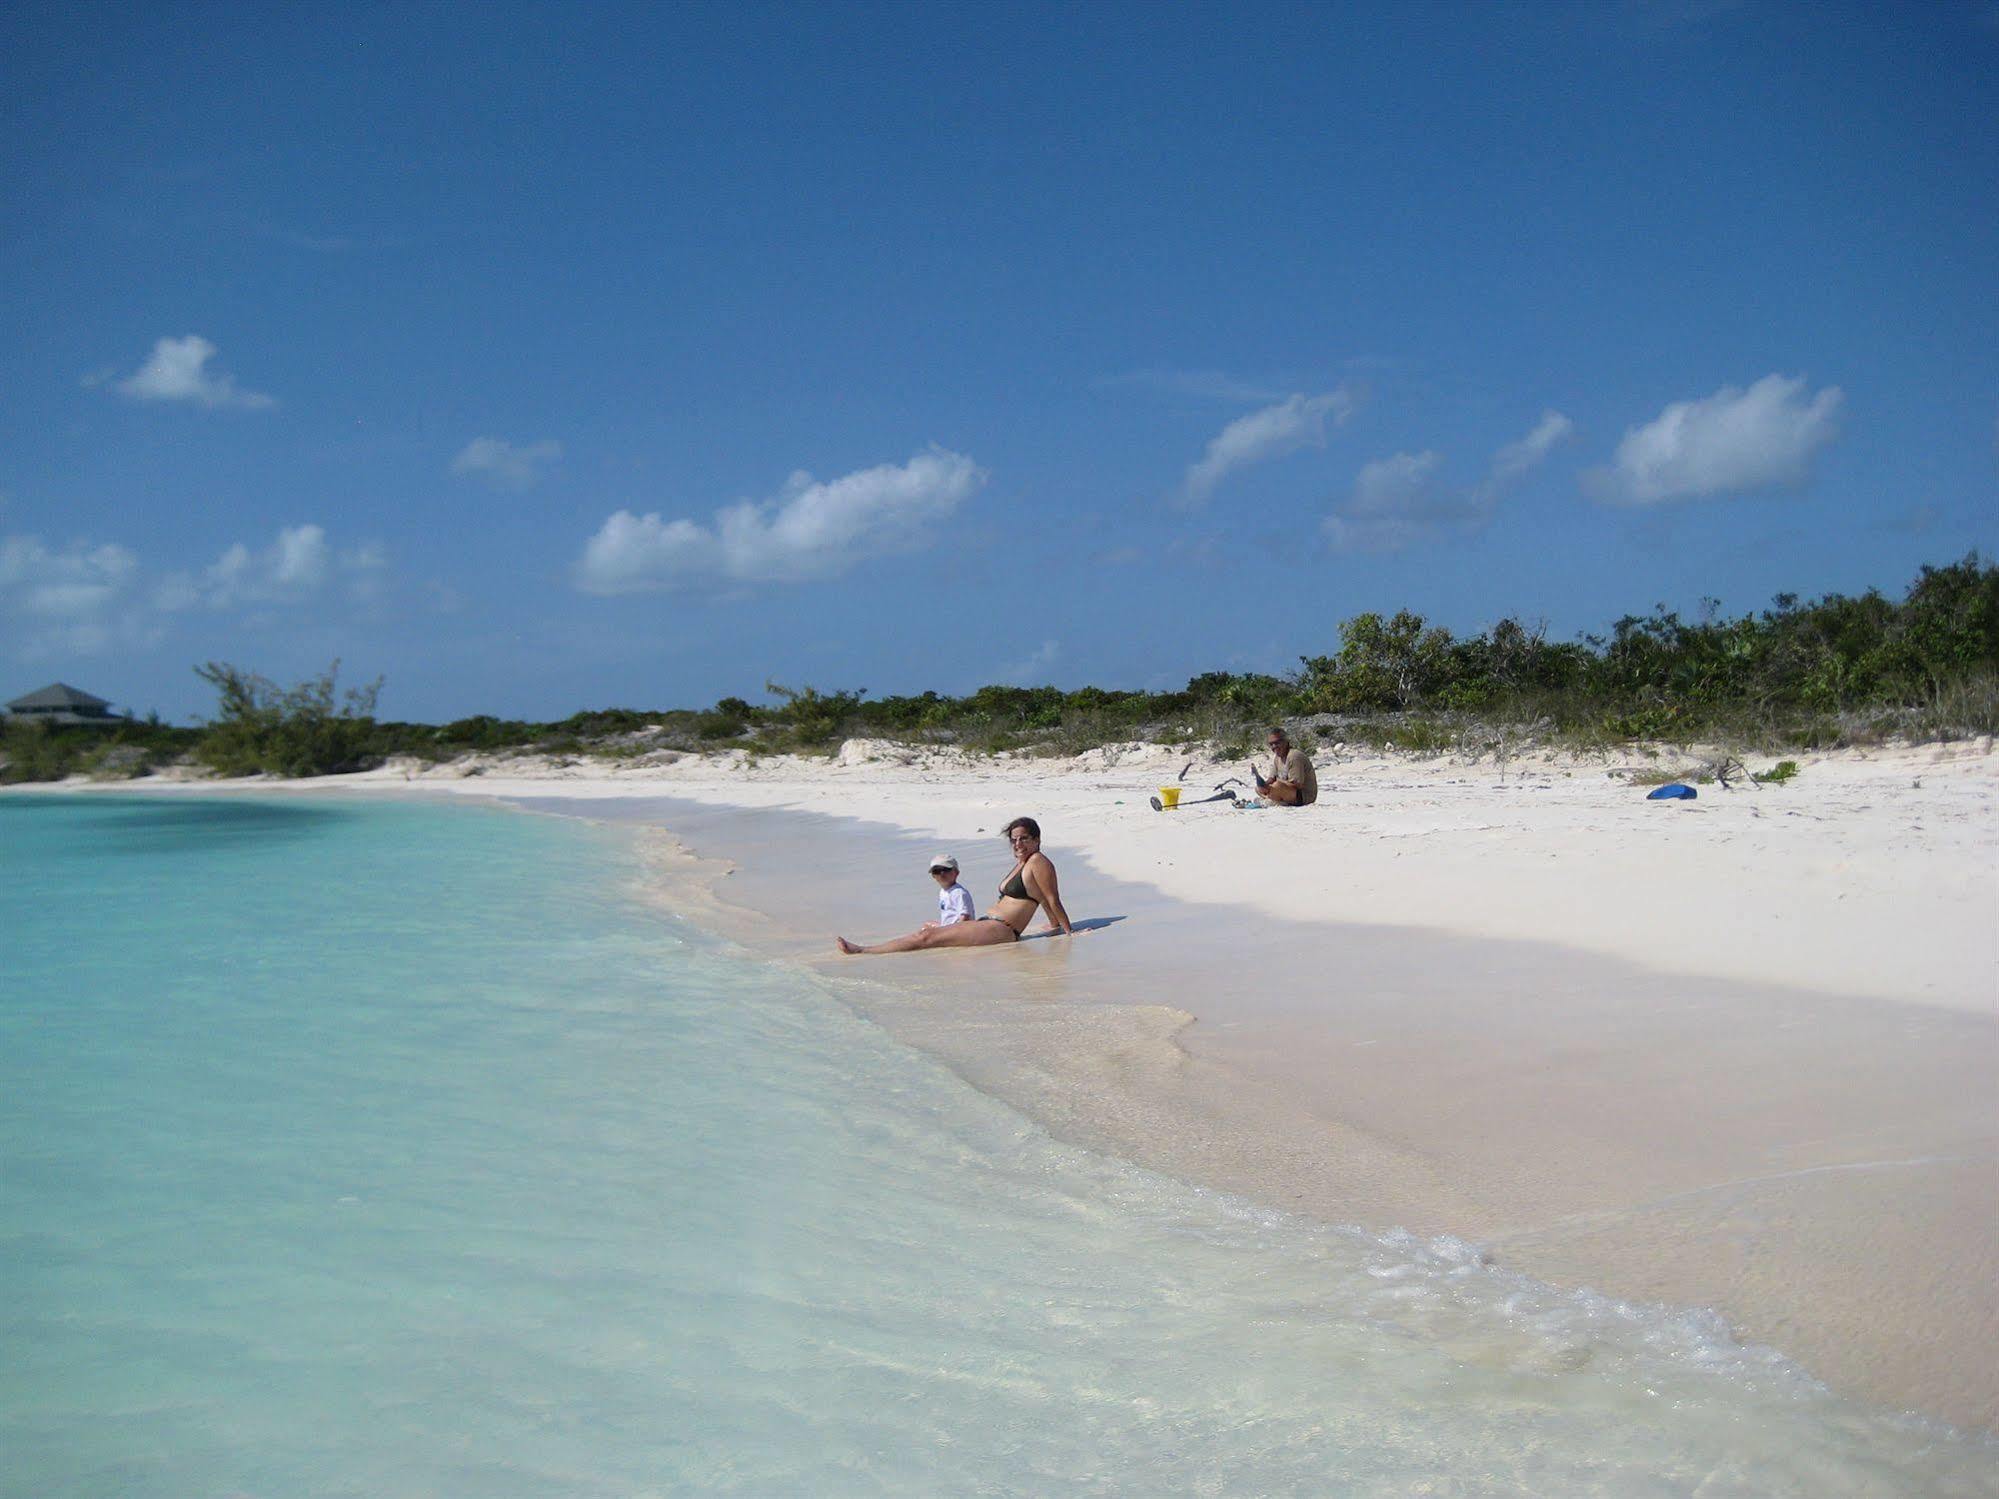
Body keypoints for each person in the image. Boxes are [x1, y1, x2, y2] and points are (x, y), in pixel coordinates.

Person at [837, 816, 1074, 954]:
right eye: (1014, 839)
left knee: (928, 938)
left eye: (1024, 838)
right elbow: (1041, 898)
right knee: (930, 935)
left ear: (1037, 839)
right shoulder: (1024, 863)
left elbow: (1052, 897)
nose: (1017, 843)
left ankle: (864, 951)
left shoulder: (1039, 861)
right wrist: (1052, 924)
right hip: (988, 924)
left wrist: (1067, 931)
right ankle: (869, 950)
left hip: (1001, 929)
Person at [1251, 726, 1318, 807]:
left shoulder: (1294, 756)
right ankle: (1274, 799)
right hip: (1285, 790)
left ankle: (1273, 799)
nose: (1274, 746)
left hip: (1303, 796)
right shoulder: (1277, 758)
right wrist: (1264, 785)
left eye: (1277, 743)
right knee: (1258, 788)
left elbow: (1297, 784)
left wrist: (1275, 786)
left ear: (1286, 742)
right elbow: (1272, 778)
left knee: (1277, 786)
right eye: (1271, 744)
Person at [925, 854, 977, 927]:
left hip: (957, 930)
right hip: (947, 927)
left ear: (956, 873)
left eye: (946, 870)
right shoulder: (942, 892)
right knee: (927, 925)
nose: (941, 874)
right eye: (937, 871)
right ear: (933, 875)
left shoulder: (959, 893)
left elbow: (965, 917)